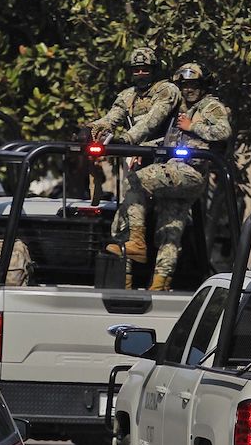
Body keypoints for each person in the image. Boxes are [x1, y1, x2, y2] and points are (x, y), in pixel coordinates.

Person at [104, 62, 231, 291]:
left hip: (189, 172)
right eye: (184, 85)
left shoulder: (210, 106)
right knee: (169, 232)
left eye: (194, 84)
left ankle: (136, 242)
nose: (188, 89)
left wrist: (193, 126)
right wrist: (141, 150)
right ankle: (159, 286)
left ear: (203, 85)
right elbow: (166, 141)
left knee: (135, 181)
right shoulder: (179, 111)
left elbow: (223, 131)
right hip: (176, 177)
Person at [86, 47, 181, 146]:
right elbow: (112, 117)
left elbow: (152, 120)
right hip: (136, 148)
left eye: (145, 70)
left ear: (154, 71)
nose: (140, 74)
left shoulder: (167, 90)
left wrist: (126, 138)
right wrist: (91, 128)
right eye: (136, 70)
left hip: (164, 148)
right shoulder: (128, 95)